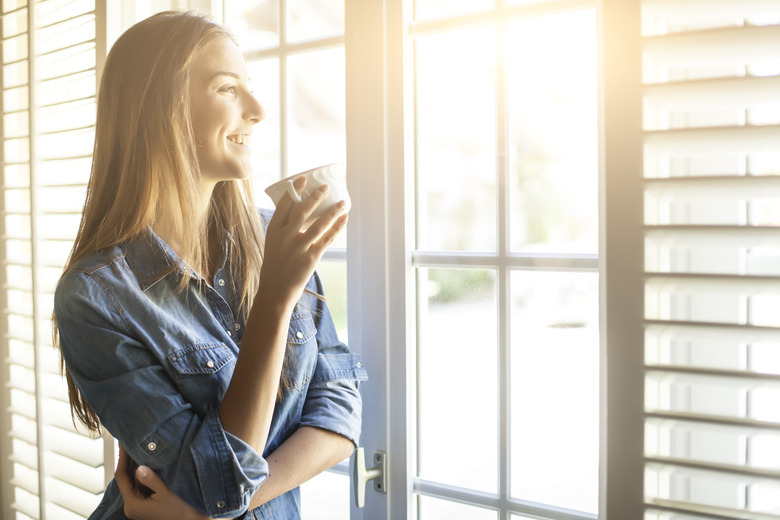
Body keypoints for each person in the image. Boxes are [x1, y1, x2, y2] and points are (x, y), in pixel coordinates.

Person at [53, 10, 367, 520]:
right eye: (227, 89)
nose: (258, 109)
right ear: (162, 110)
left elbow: (340, 410)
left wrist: (210, 510)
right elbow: (219, 481)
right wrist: (275, 299)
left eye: (250, 87)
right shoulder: (93, 295)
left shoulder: (274, 237)